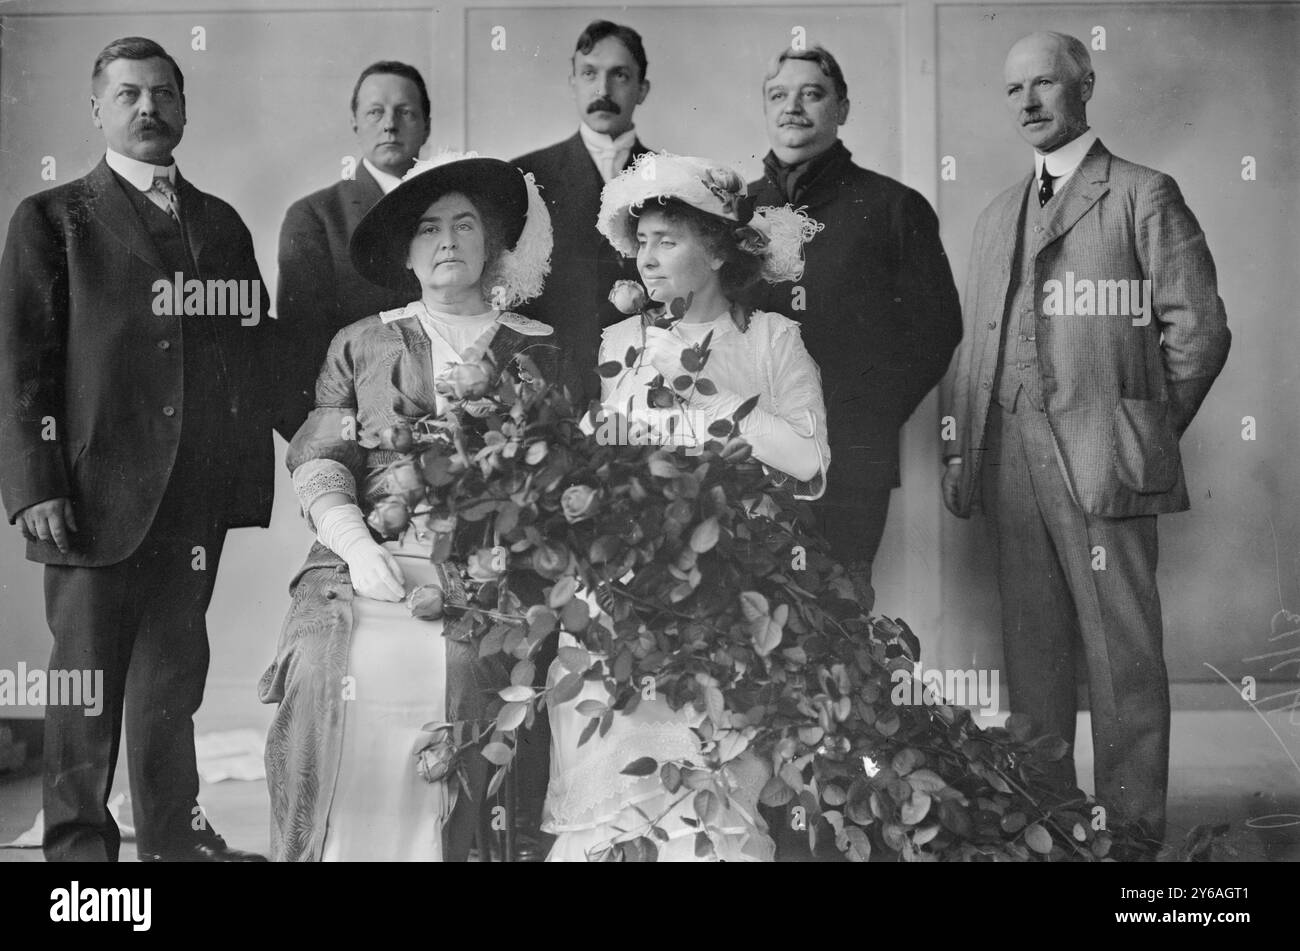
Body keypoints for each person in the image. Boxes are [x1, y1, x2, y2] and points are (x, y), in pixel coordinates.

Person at [941, 32, 1231, 848]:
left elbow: (1199, 333)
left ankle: (1131, 839)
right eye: (1013, 91)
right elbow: (976, 346)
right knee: (1032, 657)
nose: (1028, 102)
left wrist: (1139, 433)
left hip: (1105, 462)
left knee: (1122, 662)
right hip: (1010, 461)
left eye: (1045, 85)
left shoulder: (1144, 193)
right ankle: (1049, 826)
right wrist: (966, 450)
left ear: (1086, 86)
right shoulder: (999, 213)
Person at [0, 36, 274, 862]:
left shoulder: (220, 224)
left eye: (162, 94)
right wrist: (34, 485)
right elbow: (21, 362)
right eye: (128, 95)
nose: (148, 108)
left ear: (183, 107)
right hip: (87, 496)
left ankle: (171, 846)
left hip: (191, 502)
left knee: (170, 687)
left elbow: (255, 350)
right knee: (85, 694)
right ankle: (81, 861)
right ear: (98, 111)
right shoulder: (53, 219)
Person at [259, 151, 559, 861]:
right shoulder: (362, 343)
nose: (447, 241)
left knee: (471, 665)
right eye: (428, 228)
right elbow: (322, 458)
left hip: (493, 565)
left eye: (464, 225)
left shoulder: (544, 351)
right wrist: (358, 547)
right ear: (407, 250)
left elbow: (566, 479)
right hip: (367, 562)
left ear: (491, 243)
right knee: (324, 661)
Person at [542, 153, 827, 861]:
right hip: (627, 592)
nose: (648, 257)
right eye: (642, 242)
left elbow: (810, 458)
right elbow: (596, 462)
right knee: (612, 743)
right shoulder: (620, 344)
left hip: (735, 589)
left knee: (711, 789)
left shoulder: (769, 338)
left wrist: (717, 406)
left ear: (719, 246)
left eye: (667, 239)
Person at [746, 45, 962, 596]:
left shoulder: (893, 207)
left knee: (839, 623)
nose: (792, 107)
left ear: (842, 108)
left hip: (850, 460)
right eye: (779, 95)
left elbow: (937, 331)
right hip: (746, 457)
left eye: (811, 94)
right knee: (747, 624)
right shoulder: (732, 212)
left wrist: (866, 415)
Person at [275, 61, 433, 438]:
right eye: (376, 112)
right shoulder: (316, 215)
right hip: (358, 433)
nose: (390, 125)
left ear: (426, 124)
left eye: (406, 112)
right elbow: (302, 348)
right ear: (356, 124)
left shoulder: (453, 210)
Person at [513, 20, 655, 406]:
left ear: (642, 89)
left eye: (620, 75)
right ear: (572, 81)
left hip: (647, 388)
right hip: (553, 392)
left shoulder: (670, 180)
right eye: (590, 73)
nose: (603, 91)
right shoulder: (525, 177)